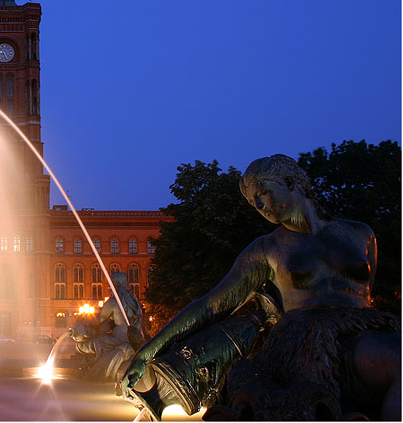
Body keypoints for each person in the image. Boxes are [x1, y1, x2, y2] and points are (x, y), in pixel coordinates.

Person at [119, 154, 400, 420]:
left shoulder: (360, 233)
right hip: (307, 343)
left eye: (262, 193)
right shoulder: (267, 249)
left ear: (291, 183)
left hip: (364, 332)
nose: (260, 206)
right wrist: (148, 352)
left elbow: (367, 295)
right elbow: (212, 304)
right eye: (253, 202)